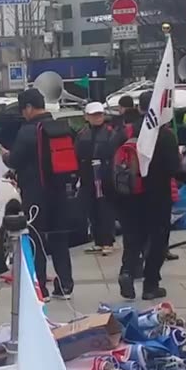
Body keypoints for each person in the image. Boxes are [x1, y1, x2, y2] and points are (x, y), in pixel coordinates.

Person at [113, 90, 185, 301]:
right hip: (158, 196)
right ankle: (150, 285)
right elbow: (174, 168)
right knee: (157, 241)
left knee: (133, 238)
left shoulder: (126, 131)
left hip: (129, 195)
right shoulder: (164, 134)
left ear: (140, 107)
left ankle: (127, 272)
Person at [4, 88, 75, 297]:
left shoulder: (27, 131)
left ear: (28, 107)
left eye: (22, 109)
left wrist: (4, 155)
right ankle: (65, 285)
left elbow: (15, 160)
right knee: (60, 240)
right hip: (60, 193)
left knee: (37, 240)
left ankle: (40, 287)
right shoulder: (61, 127)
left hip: (35, 195)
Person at [75, 101, 117, 256]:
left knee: (105, 209)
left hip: (104, 176)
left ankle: (108, 241)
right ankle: (98, 241)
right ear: (87, 117)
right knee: (92, 208)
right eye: (93, 115)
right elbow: (77, 154)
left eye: (99, 114)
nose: (97, 118)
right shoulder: (82, 134)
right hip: (87, 176)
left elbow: (115, 154)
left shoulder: (110, 133)